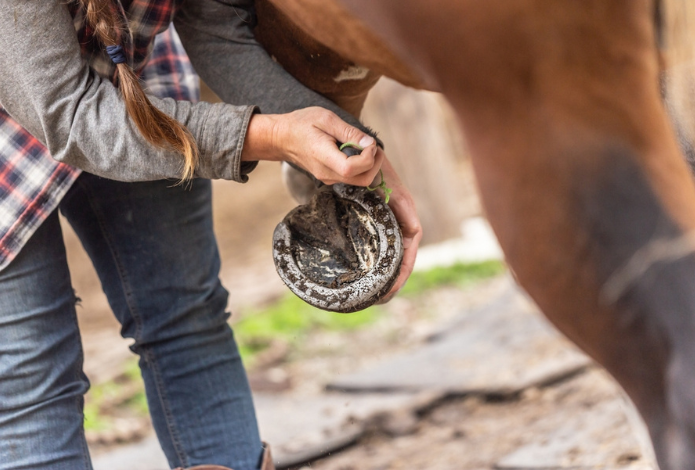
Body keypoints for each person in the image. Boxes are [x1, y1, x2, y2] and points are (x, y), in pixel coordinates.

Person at [0, 0, 422, 469]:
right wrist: (271, 136)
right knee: (31, 384)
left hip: (131, 72)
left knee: (185, 319)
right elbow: (74, 117)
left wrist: (355, 151)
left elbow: (216, 26)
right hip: (30, 114)